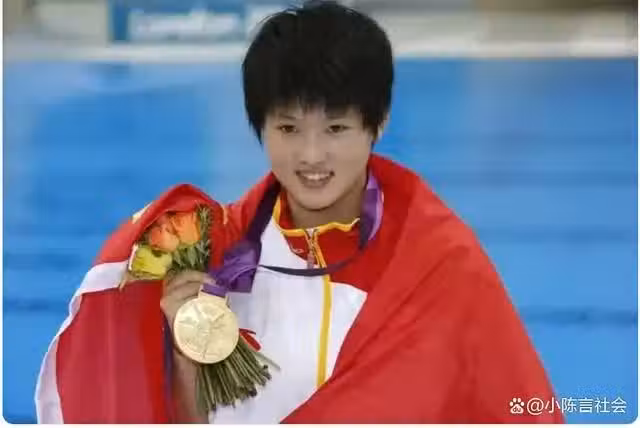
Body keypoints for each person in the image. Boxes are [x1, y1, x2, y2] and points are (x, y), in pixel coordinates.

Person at [35, 0, 564, 423]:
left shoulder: (439, 266)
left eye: (336, 129)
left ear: (377, 125)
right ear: (260, 127)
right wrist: (184, 350)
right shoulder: (215, 256)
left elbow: (513, 408)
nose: (311, 156)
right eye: (288, 128)